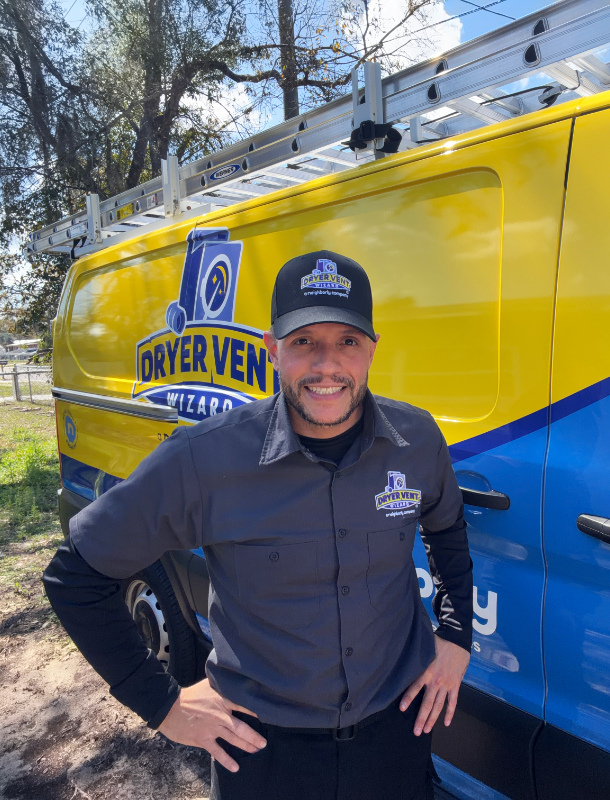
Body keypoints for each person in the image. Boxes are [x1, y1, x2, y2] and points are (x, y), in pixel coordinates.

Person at [43, 250, 473, 800]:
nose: (326, 365)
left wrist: (457, 633)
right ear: (272, 349)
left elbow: (447, 527)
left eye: (346, 341)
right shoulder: (204, 458)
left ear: (371, 349)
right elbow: (73, 577)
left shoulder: (417, 439)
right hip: (265, 753)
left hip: (397, 734)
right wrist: (162, 704)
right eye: (303, 342)